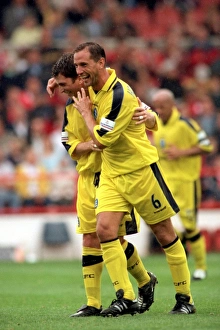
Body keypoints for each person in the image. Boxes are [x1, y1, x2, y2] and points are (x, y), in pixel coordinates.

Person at [72, 41, 196, 316]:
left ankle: (185, 297)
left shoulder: (118, 94)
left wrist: (84, 114)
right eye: (76, 65)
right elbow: (65, 77)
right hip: (112, 174)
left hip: (140, 171)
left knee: (165, 234)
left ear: (101, 63)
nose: (78, 71)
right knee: (104, 230)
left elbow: (101, 140)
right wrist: (53, 82)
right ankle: (125, 297)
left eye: (83, 64)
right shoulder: (91, 86)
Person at [47, 52, 158, 317]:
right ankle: (93, 303)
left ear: (81, 79)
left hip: (111, 175)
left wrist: (151, 116)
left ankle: (137, 286)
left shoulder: (105, 96)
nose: (61, 90)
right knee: (90, 237)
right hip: (85, 177)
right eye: (59, 85)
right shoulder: (70, 105)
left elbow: (126, 113)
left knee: (112, 236)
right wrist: (86, 146)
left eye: (65, 84)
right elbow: (68, 142)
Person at [151, 89, 213, 280]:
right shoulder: (157, 125)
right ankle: (182, 254)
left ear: (172, 105)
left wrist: (182, 152)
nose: (158, 110)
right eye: (156, 107)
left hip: (187, 182)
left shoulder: (186, 124)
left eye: (162, 106)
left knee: (190, 225)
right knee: (163, 224)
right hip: (166, 183)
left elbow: (208, 146)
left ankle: (201, 268)